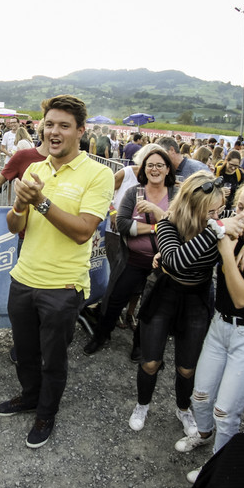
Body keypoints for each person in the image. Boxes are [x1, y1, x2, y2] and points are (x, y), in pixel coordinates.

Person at [0, 95, 113, 449]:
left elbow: (83, 232)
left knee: (53, 359)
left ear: (80, 131)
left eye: (64, 125)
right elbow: (15, 226)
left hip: (62, 286)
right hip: (23, 278)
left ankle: (46, 412)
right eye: (49, 125)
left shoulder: (99, 173)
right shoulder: (37, 169)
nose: (54, 132)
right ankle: (30, 397)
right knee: (24, 352)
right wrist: (19, 204)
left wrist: (41, 202)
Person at [175, 179, 244, 484]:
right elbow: (194, 233)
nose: (242, 215)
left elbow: (241, 298)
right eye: (239, 207)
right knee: (200, 396)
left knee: (225, 411)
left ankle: (217, 468)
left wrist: (230, 250)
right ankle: (204, 435)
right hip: (219, 326)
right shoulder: (233, 231)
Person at [84, 147, 176, 355]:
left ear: (168, 169)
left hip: (163, 262)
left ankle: (140, 344)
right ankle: (101, 336)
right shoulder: (135, 192)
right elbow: (123, 224)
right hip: (133, 258)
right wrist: (156, 227)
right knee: (114, 299)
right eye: (150, 165)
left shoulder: (176, 195)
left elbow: (181, 227)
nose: (154, 169)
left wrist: (155, 212)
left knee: (152, 305)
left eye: (159, 165)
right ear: (144, 168)